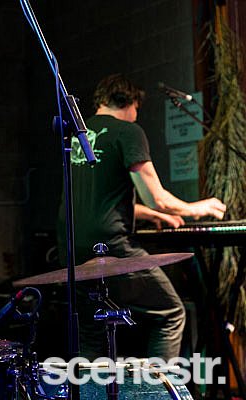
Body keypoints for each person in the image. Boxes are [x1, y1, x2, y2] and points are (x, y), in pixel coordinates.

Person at [56, 73, 226, 361]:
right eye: (137, 109)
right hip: (110, 247)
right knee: (171, 313)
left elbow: (99, 202)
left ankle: (90, 386)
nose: (137, 116)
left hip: (71, 249)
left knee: (92, 332)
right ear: (130, 101)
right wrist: (199, 208)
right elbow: (157, 197)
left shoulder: (77, 136)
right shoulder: (128, 131)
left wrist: (150, 214)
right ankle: (157, 385)